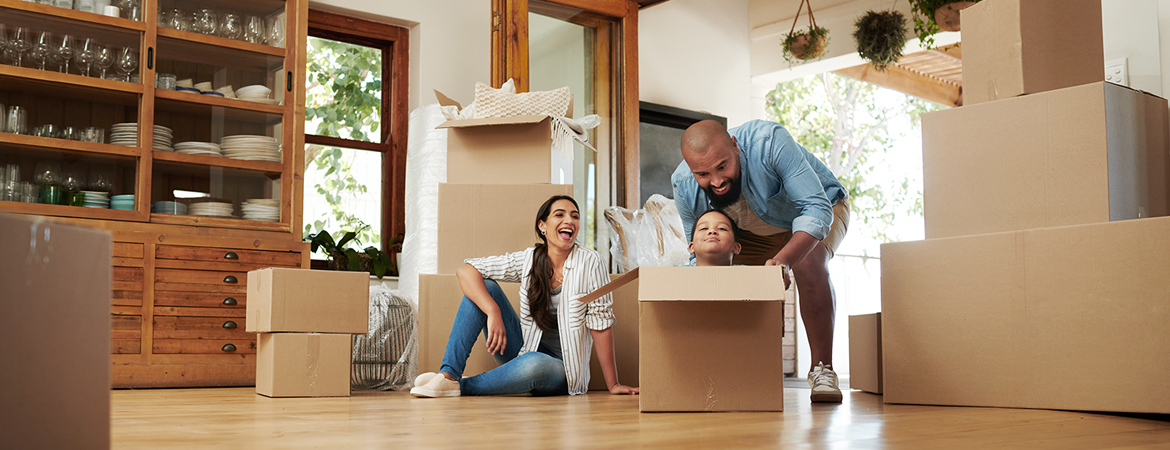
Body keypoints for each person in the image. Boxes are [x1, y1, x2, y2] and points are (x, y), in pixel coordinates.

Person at [672, 119, 850, 403]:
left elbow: (816, 209)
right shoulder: (682, 183)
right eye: (703, 173)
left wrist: (784, 260)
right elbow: (700, 252)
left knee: (807, 261)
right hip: (752, 232)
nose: (716, 181)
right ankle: (748, 370)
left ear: (735, 146)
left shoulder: (770, 142)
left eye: (722, 166)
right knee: (725, 272)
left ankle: (822, 371)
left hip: (820, 207)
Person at [411, 195, 639, 398]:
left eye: (575, 216)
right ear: (543, 226)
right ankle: (448, 374)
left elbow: (600, 323)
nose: (569, 220)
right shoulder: (529, 259)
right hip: (522, 352)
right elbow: (467, 270)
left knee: (535, 364)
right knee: (485, 288)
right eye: (559, 215)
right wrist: (493, 310)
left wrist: (613, 384)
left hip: (561, 370)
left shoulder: (591, 262)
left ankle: (459, 385)